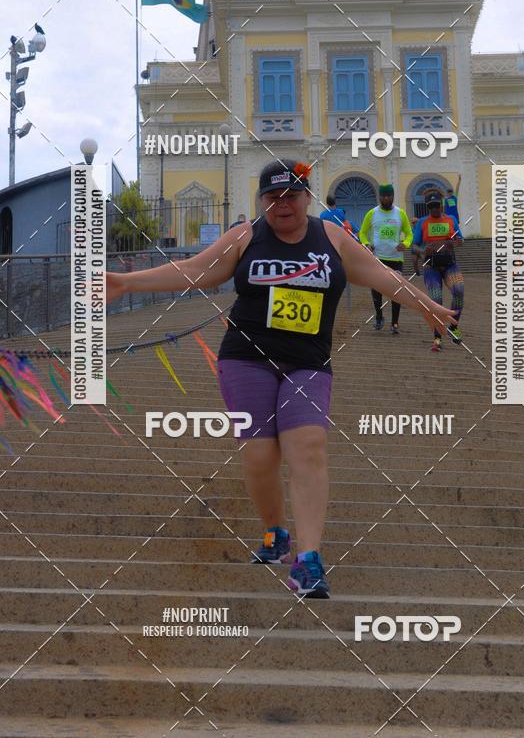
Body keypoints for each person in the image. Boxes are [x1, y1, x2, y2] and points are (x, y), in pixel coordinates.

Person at [106, 159, 456, 599]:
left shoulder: (331, 238)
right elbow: (192, 271)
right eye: (272, 197)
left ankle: (308, 561)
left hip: (308, 362)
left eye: (291, 195)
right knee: (259, 454)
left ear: (307, 197)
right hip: (245, 359)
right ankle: (276, 531)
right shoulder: (245, 236)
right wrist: (124, 282)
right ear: (262, 201)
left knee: (306, 446)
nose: (282, 204)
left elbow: (383, 276)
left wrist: (428, 307)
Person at [359, 184, 413, 335]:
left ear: (393, 196)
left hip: (396, 259)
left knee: (397, 291)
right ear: (379, 197)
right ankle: (379, 316)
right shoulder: (372, 213)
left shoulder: (400, 214)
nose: (386, 198)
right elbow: (362, 233)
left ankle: (395, 323)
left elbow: (409, 234)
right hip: (377, 258)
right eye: (383, 196)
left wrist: (406, 244)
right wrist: (366, 244)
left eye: (389, 195)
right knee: (376, 289)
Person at [412, 195, 464, 352]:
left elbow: (460, 240)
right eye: (431, 206)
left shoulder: (451, 220)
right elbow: (414, 246)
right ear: (428, 208)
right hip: (431, 266)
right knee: (436, 300)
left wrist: (454, 242)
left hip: (450, 264)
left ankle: (453, 327)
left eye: (437, 206)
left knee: (459, 291)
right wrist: (422, 251)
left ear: (442, 206)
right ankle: (437, 338)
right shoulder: (422, 222)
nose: (434, 209)